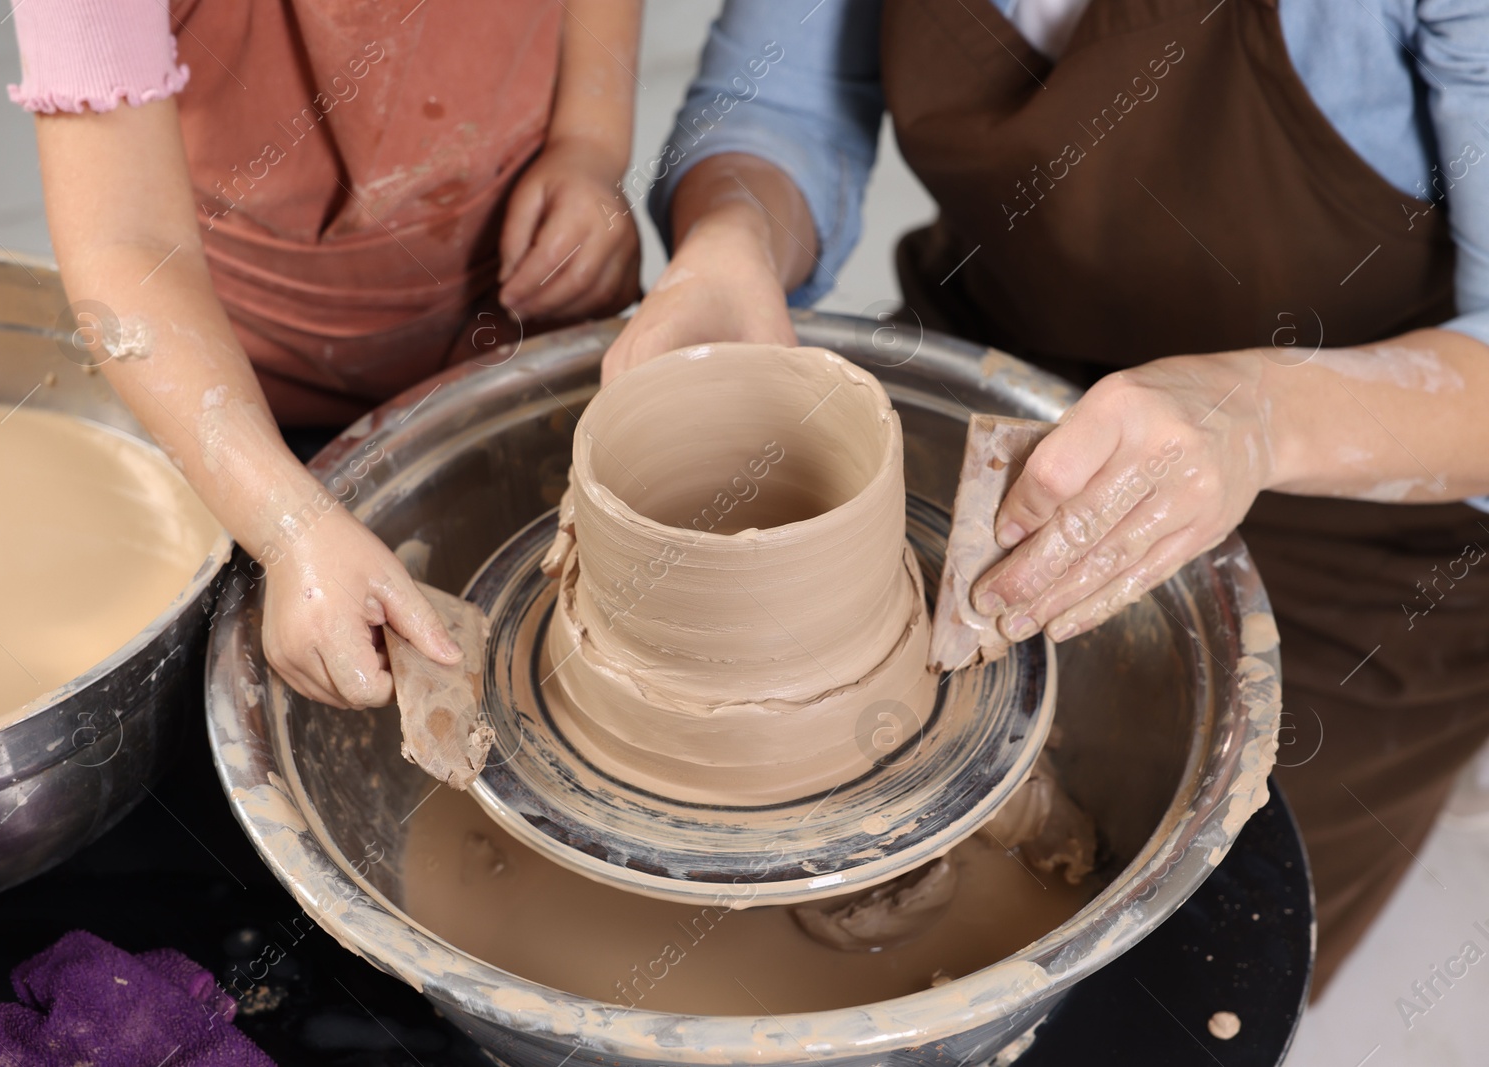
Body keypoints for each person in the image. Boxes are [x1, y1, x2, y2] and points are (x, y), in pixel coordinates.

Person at [612, 0, 1489, 995]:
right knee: (717, 931)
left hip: (1360, 518)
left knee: (1160, 967)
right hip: (990, 386)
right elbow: (782, 96)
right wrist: (736, 240)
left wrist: (1255, 417)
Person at [9, 0, 642, 709]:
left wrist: (589, 147)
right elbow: (128, 241)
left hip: (515, 328)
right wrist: (286, 526)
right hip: (247, 408)